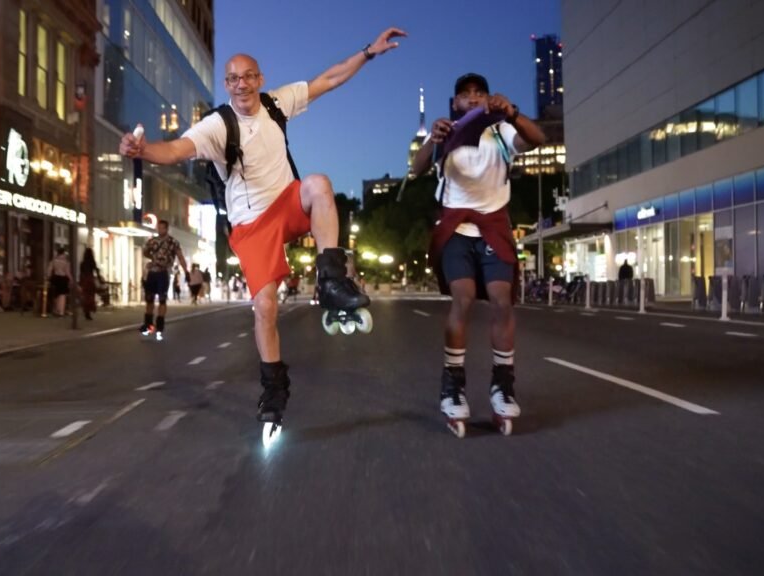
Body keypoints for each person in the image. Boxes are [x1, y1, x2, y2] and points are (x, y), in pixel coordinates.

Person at [119, 28, 404, 427]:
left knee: (319, 183)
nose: (242, 84)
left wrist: (368, 52)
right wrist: (143, 150)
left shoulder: (276, 104)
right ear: (227, 84)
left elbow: (330, 79)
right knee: (265, 307)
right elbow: (176, 149)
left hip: (286, 204)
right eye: (234, 78)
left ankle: (331, 280)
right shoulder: (217, 126)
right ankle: (274, 386)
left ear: (260, 79)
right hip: (251, 226)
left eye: (249, 76)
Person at [411, 73, 547, 435]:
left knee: (503, 301)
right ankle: (452, 387)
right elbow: (416, 168)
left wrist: (513, 113)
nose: (472, 99)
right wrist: (433, 142)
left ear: (488, 99)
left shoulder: (502, 133)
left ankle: (503, 386)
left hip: (493, 226)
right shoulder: (446, 132)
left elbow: (538, 139)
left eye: (479, 93)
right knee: (464, 298)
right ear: (455, 103)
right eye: (465, 95)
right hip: (457, 227)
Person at [138, 220, 188, 341]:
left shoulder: (173, 242)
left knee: (162, 300)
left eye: (162, 228)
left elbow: (180, 256)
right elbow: (145, 252)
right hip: (152, 273)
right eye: (158, 228)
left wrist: (186, 271)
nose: (160, 230)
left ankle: (159, 326)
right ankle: (148, 324)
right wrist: (153, 259)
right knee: (149, 300)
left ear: (167, 229)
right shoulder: (152, 241)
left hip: (163, 273)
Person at [48, 247, 72, 316]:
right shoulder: (66, 261)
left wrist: (48, 277)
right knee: (62, 295)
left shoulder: (54, 260)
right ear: (64, 253)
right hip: (63, 278)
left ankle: (56, 310)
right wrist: (71, 279)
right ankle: (61, 311)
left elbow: (49, 269)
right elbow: (67, 272)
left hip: (55, 278)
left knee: (56, 294)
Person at [80, 247, 102, 320]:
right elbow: (96, 270)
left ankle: (86, 310)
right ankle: (89, 311)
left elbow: (81, 272)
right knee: (91, 296)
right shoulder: (92, 262)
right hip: (90, 280)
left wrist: (80, 282)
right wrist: (99, 278)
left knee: (85, 296)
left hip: (84, 280)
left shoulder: (82, 263)